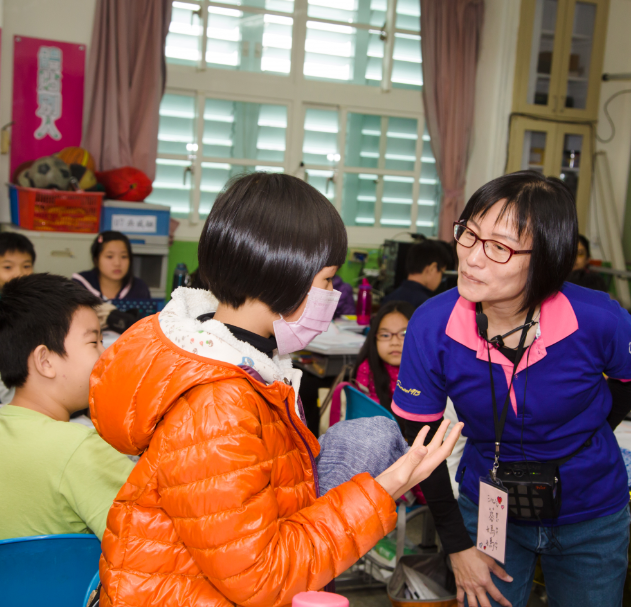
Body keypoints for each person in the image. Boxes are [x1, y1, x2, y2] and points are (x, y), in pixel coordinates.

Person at [88, 172, 462, 607]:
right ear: (282, 273)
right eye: (326, 281)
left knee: (368, 435)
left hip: (210, 582)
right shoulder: (218, 405)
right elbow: (260, 580)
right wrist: (390, 485)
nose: (332, 296)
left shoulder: (251, 363)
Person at [391, 171, 631, 607]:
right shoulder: (433, 323)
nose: (472, 258)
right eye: (469, 235)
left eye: (498, 247)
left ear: (546, 258)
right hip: (490, 505)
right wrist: (457, 546)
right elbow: (421, 441)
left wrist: (587, 436)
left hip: (591, 508)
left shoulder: (597, 318)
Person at [0, 274, 134, 543]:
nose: (107, 354)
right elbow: (152, 548)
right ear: (45, 361)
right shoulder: (82, 450)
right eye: (94, 342)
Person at [0, 232, 36, 404]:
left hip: (26, 393)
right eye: (8, 267)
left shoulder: (33, 303)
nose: (19, 274)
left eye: (26, 266)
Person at [354, 300, 416, 418]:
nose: (394, 342)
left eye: (404, 334)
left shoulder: (429, 371)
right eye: (385, 335)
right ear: (374, 338)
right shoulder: (367, 370)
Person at [72, 231, 151, 302]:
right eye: (110, 256)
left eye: (124, 256)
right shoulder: (79, 285)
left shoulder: (139, 288)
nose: (117, 263)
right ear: (96, 259)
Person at [382, 239, 452, 309]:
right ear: (432, 269)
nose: (440, 280)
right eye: (442, 274)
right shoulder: (427, 305)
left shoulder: (388, 299)